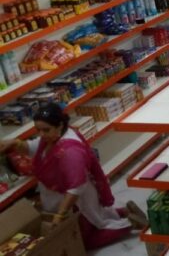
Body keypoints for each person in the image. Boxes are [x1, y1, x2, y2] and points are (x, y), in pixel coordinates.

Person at [0, 103, 148, 250]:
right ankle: (125, 212)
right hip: (67, 194)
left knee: (85, 239)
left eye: (45, 130)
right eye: (38, 130)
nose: (41, 134)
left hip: (78, 202)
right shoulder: (54, 136)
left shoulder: (70, 152)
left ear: (59, 125)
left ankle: (130, 224)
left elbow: (76, 188)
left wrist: (60, 214)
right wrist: (16, 144)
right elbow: (34, 147)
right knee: (98, 216)